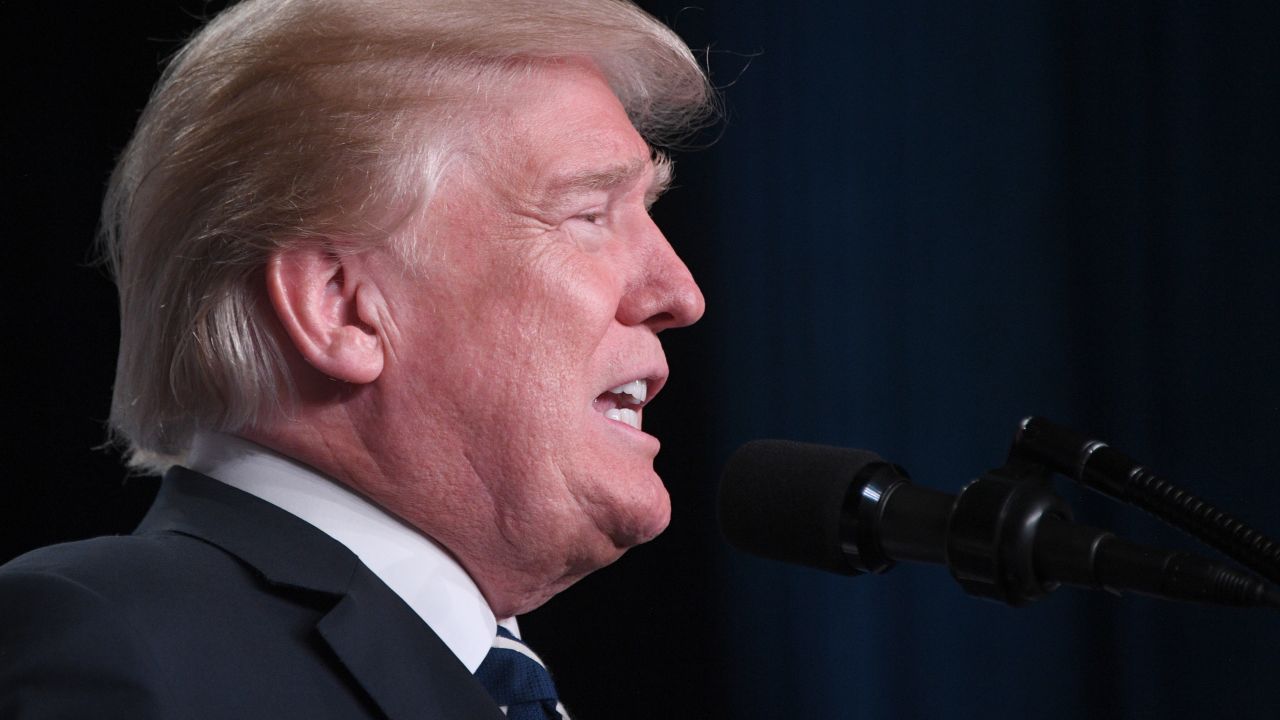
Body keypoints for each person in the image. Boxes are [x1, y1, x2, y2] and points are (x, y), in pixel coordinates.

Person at [0, 0, 713, 717]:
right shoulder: (108, 642)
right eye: (589, 215)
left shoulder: (489, 680)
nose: (680, 293)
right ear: (339, 306)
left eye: (648, 211)